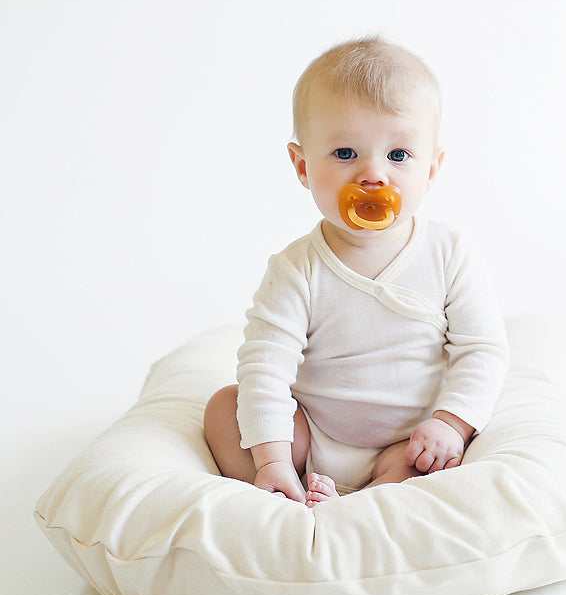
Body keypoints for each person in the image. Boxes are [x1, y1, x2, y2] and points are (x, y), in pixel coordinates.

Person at [204, 37, 509, 507]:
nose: (373, 175)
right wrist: (272, 459)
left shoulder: (450, 253)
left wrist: (451, 422)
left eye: (399, 155)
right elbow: (266, 366)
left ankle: (365, 502)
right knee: (224, 408)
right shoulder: (295, 268)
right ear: (303, 165)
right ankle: (287, 491)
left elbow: (483, 350)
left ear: (431, 168)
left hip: (406, 442)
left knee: (433, 463)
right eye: (346, 153)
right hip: (310, 434)